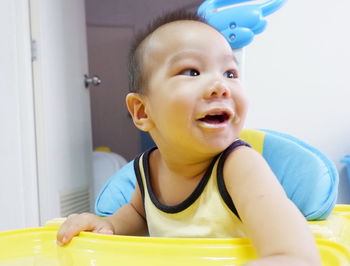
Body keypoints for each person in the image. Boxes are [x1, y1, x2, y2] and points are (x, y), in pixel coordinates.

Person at [57, 9, 321, 266]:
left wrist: (287, 256)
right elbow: (139, 214)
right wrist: (109, 225)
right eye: (192, 71)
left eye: (230, 73)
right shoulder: (147, 169)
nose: (221, 86)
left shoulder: (239, 166)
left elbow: (293, 251)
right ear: (142, 111)